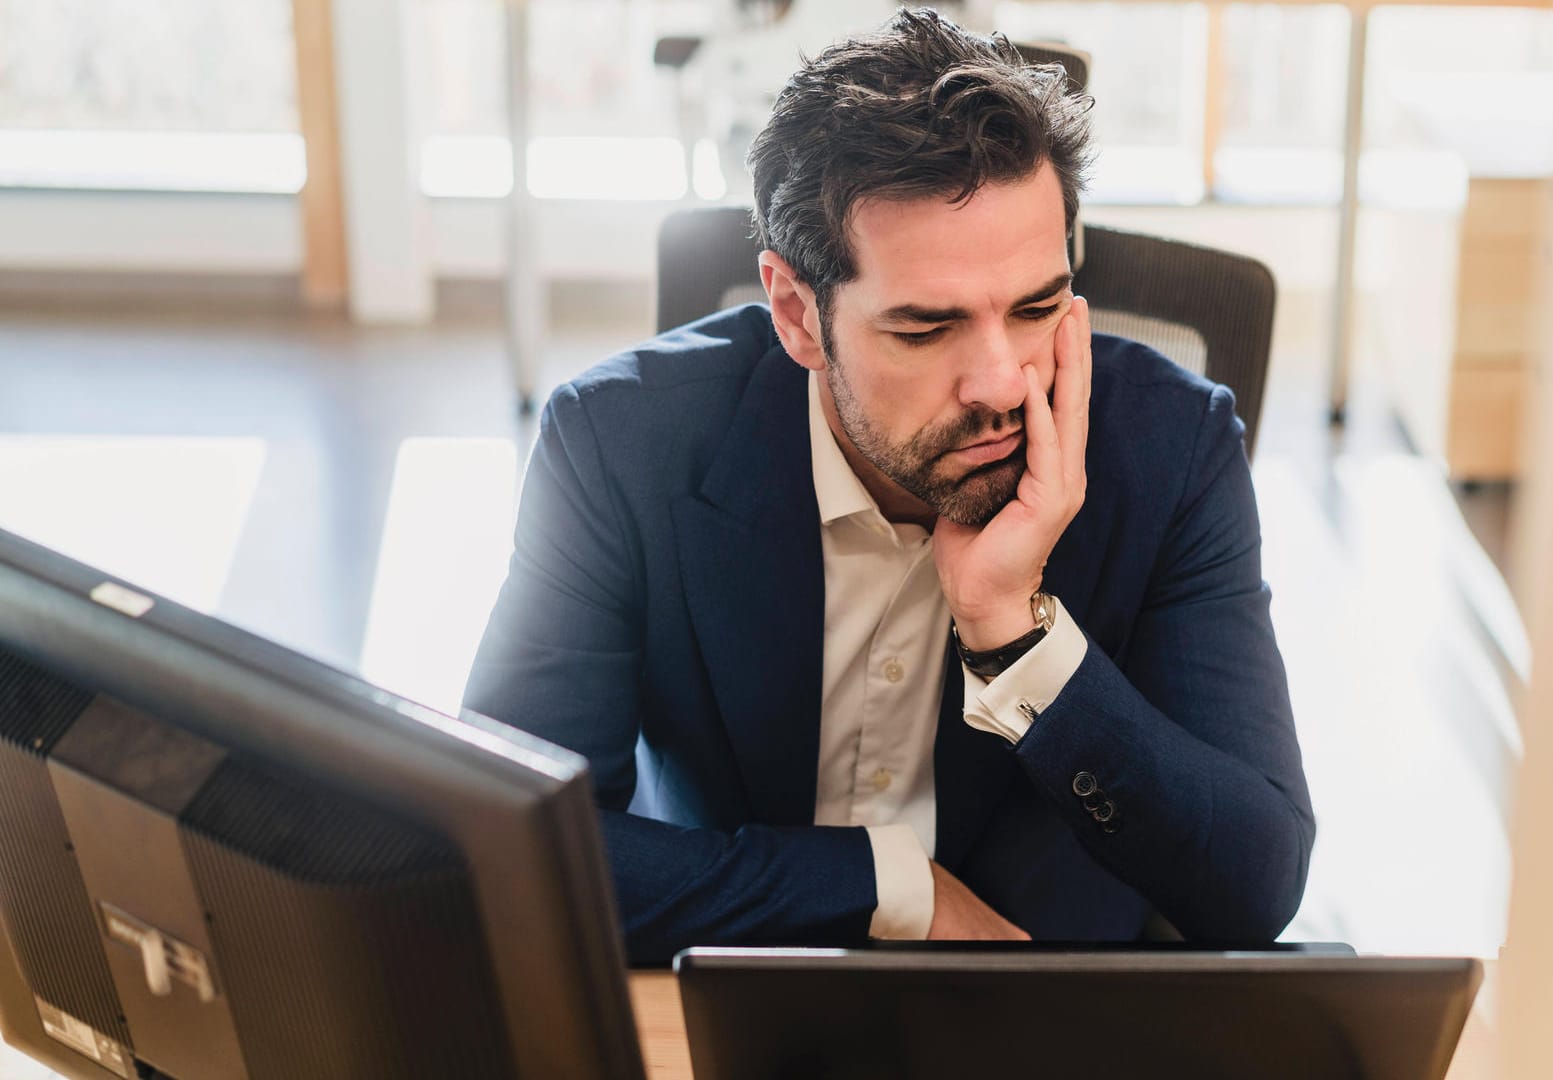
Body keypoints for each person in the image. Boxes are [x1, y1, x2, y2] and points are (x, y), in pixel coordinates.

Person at [463, 7, 1312, 965]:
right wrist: (880, 886)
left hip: (1036, 1014)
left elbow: (1254, 889)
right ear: (796, 315)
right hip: (745, 986)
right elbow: (505, 848)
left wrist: (1017, 633)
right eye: (925, 328)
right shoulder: (618, 446)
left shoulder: (1172, 450)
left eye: (1037, 308)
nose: (1001, 381)